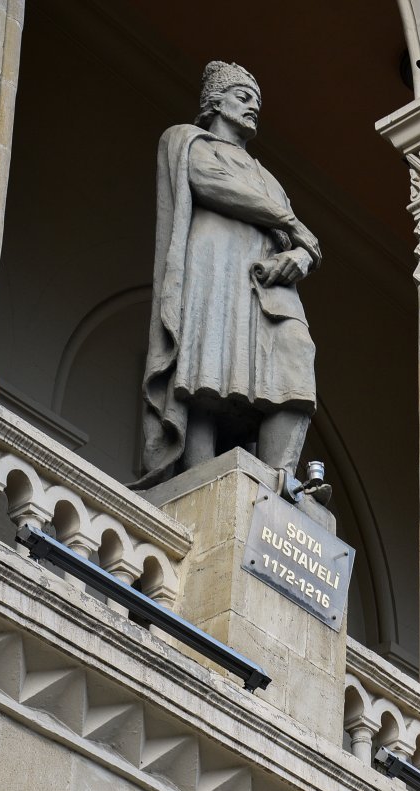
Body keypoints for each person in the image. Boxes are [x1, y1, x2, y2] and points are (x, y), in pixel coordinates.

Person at [136, 61, 321, 489]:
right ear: (215, 101)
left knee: (296, 356)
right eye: (243, 97)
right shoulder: (188, 141)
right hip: (214, 266)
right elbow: (211, 183)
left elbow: (307, 244)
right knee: (206, 368)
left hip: (268, 283)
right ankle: (201, 480)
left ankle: (280, 483)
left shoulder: (268, 177)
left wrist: (302, 257)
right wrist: (291, 224)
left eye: (257, 101)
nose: (253, 106)